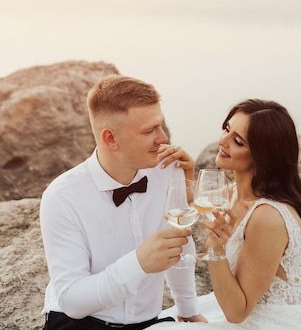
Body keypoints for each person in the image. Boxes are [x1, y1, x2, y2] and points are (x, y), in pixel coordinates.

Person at [39, 74, 207, 330]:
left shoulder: (169, 169)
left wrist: (188, 310)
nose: (162, 137)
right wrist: (139, 262)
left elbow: (179, 246)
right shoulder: (61, 197)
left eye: (160, 125)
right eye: (149, 130)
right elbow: (72, 301)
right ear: (110, 139)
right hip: (81, 324)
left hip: (148, 322)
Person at [152, 99, 301, 330]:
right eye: (227, 129)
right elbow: (192, 205)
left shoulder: (267, 217)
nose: (221, 141)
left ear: (263, 157)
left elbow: (237, 313)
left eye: (237, 141)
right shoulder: (234, 193)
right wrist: (189, 173)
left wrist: (217, 250)